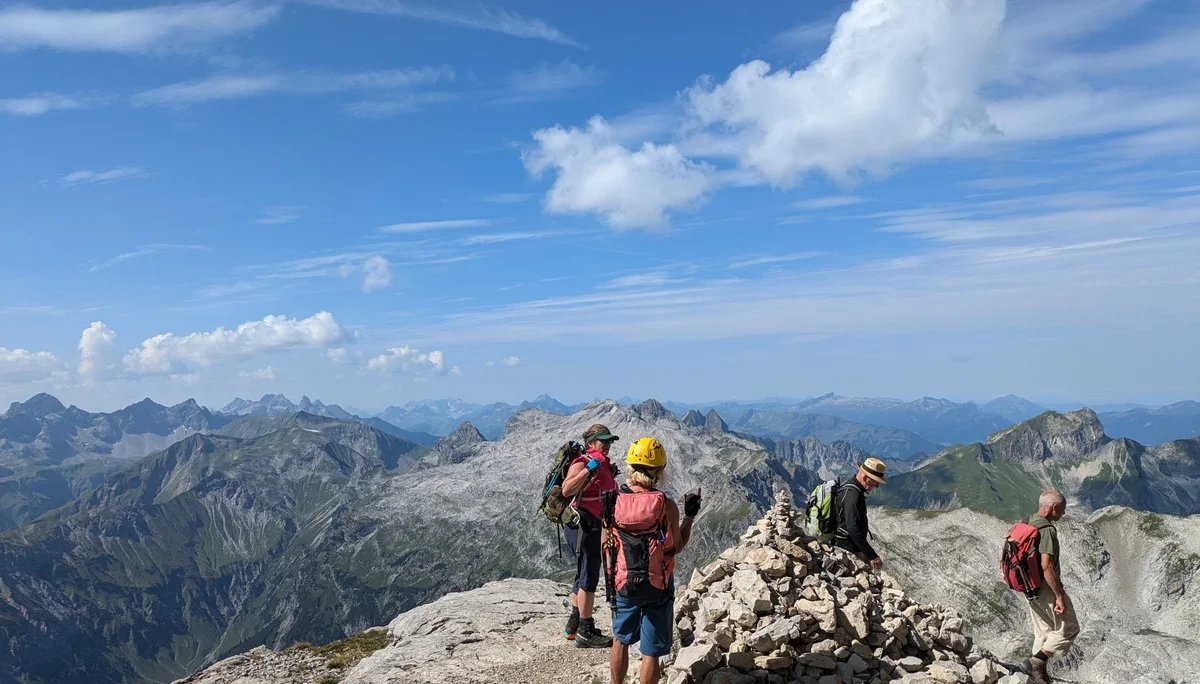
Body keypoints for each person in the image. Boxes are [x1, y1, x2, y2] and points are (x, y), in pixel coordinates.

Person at [607, 437, 701, 684]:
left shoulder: (613, 500)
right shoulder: (665, 504)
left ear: (630, 467)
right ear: (658, 472)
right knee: (650, 653)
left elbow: (606, 544)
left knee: (620, 639)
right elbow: (677, 546)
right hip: (658, 583)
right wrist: (689, 517)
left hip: (623, 582)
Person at [560, 423, 620, 648]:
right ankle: (586, 630)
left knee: (582, 573)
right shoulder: (583, 462)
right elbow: (567, 490)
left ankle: (573, 625)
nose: (607, 445)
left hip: (591, 523)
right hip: (584, 524)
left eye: (609, 441)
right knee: (589, 575)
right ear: (591, 443)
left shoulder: (602, 464)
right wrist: (589, 468)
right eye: (603, 441)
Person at [1024, 489, 1079, 684]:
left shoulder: (1027, 521)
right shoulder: (1046, 530)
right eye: (1062, 510)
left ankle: (1034, 678)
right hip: (1045, 588)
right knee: (1070, 627)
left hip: (1029, 588)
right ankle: (1036, 662)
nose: (1063, 514)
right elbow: (1046, 565)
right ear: (1054, 508)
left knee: (1044, 631)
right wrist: (1059, 596)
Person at [834, 457, 887, 571]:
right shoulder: (853, 495)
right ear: (865, 477)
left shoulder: (853, 488)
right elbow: (852, 528)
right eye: (875, 481)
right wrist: (873, 556)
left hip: (851, 545)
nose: (877, 485)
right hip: (849, 548)